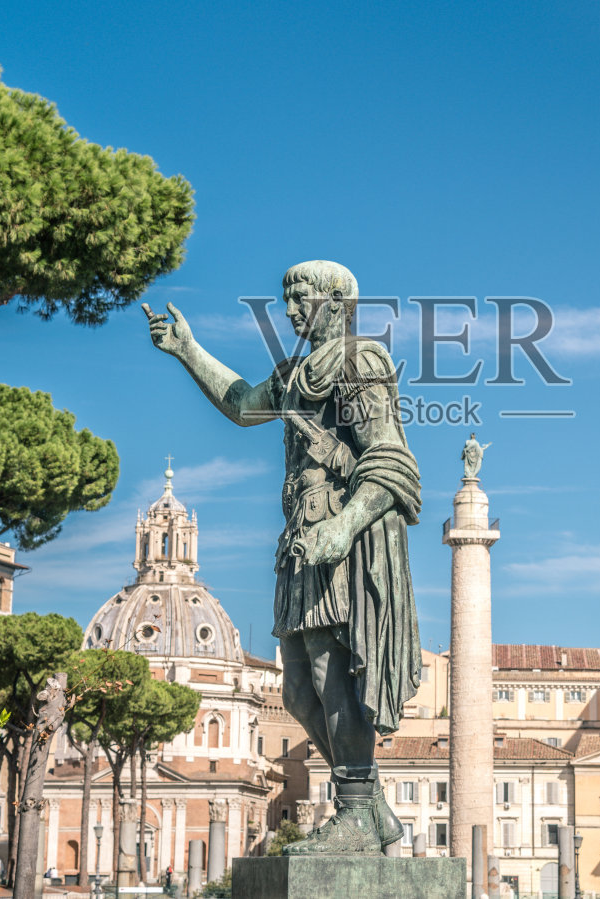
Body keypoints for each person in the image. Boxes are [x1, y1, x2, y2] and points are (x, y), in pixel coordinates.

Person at [144, 260, 421, 855]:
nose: (291, 310)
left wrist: (344, 526)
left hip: (337, 538)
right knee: (296, 689)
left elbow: (391, 460)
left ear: (337, 303)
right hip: (300, 535)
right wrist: (188, 351)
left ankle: (354, 809)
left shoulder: (360, 363)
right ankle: (371, 810)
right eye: (287, 299)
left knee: (329, 672)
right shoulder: (297, 372)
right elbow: (244, 404)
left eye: (302, 299)